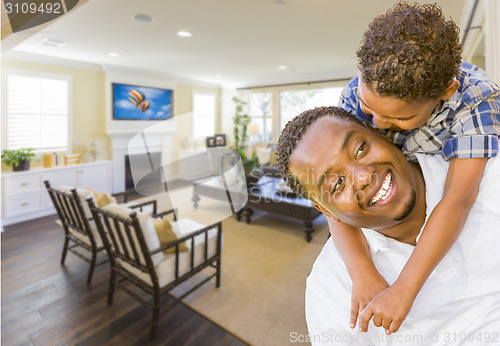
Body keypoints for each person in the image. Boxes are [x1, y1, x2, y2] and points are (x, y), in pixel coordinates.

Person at [328, 2, 500, 334]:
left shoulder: (477, 99)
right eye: (368, 107)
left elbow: (458, 196)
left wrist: (405, 287)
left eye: (400, 118)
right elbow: (330, 192)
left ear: (446, 92)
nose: (376, 123)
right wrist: (362, 270)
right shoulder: (355, 93)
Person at [276, 106, 500, 344]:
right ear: (325, 210)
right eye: (336, 184)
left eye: (360, 149)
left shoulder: (488, 176)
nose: (363, 177)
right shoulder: (329, 288)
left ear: (381, 133)